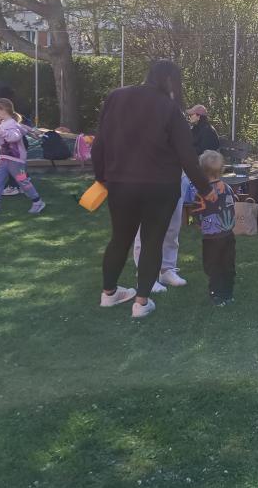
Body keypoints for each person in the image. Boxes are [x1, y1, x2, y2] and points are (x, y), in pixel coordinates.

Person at [92, 59, 214, 320]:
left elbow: (99, 143)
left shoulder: (116, 97)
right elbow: (187, 156)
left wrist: (101, 178)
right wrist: (206, 189)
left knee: (119, 239)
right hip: (160, 186)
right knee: (152, 241)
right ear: (170, 80)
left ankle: (109, 293)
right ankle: (141, 303)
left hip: (120, 183)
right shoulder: (170, 108)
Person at [131, 102, 221, 292]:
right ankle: (145, 276)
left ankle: (167, 269)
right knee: (148, 231)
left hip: (176, 180)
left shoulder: (179, 126)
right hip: (149, 182)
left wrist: (204, 186)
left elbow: (188, 155)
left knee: (172, 227)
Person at [0, 98, 45, 215]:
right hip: (4, 158)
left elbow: (13, 137)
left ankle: (37, 202)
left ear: (4, 110)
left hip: (16, 160)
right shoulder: (5, 123)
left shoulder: (12, 124)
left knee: (23, 181)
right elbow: (21, 129)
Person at [196, 149, 237, 305]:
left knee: (213, 266)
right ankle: (228, 293)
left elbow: (197, 212)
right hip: (228, 234)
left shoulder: (201, 192)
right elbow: (232, 206)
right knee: (228, 264)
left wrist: (199, 224)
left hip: (210, 238)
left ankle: (216, 294)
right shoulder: (227, 188)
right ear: (221, 169)